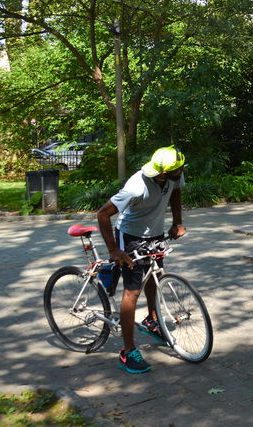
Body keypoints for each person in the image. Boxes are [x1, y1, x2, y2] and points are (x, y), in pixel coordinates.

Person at [97, 146, 186, 374]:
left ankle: (152, 320)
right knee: (132, 291)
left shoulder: (174, 174)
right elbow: (103, 214)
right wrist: (115, 250)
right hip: (131, 236)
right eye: (179, 170)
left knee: (154, 277)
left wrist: (177, 221)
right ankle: (128, 352)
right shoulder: (136, 186)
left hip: (155, 234)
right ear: (163, 172)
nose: (182, 171)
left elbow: (175, 192)